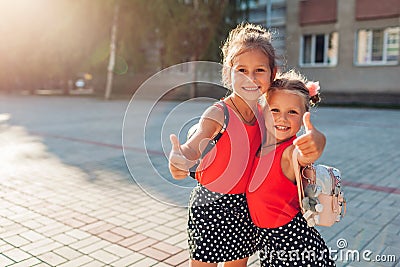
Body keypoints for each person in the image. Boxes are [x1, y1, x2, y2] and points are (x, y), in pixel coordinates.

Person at [169, 23, 326, 267]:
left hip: (244, 208)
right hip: (211, 205)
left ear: (272, 74)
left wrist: (315, 140)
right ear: (228, 72)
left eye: (259, 71)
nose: (250, 79)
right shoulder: (219, 113)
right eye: (241, 70)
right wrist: (182, 158)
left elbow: (294, 144)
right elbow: (195, 143)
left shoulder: (268, 113)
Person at [246, 70, 335, 266]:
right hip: (268, 242)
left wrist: (317, 141)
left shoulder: (290, 151)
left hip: (293, 244)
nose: (282, 118)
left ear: (304, 116)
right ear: (262, 111)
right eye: (274, 110)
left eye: (292, 112)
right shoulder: (260, 146)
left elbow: (305, 154)